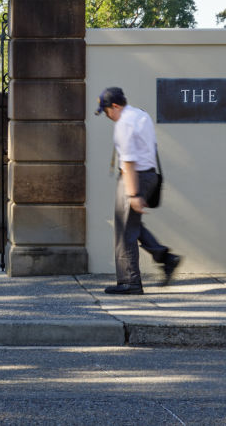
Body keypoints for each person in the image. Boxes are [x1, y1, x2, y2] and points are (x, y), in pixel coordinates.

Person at [95, 87, 181, 295]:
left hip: (133, 177)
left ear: (115, 106)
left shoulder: (124, 123)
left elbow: (129, 161)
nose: (107, 116)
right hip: (149, 175)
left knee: (125, 231)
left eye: (106, 111)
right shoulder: (141, 114)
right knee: (130, 224)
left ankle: (130, 282)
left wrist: (133, 194)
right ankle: (165, 258)